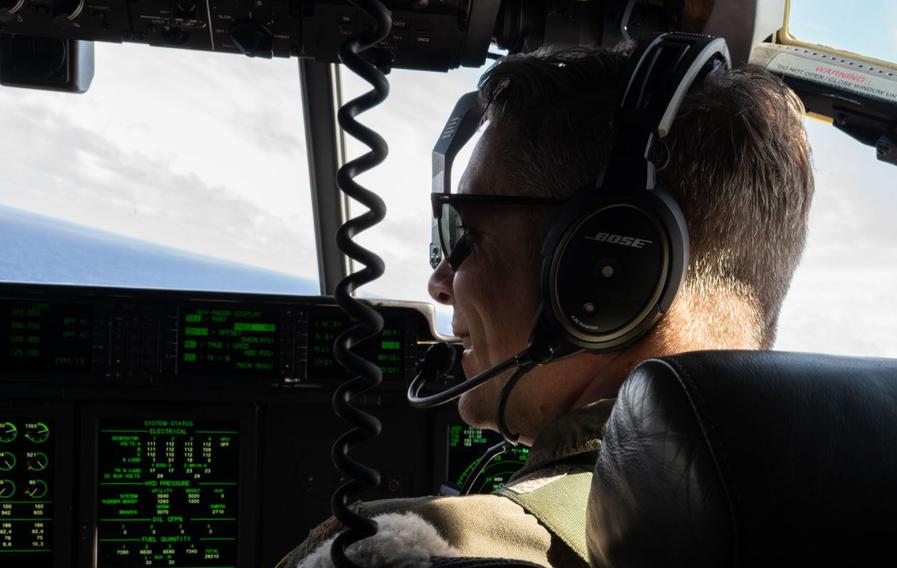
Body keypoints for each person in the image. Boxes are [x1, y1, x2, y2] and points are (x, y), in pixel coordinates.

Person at [278, 39, 814, 568]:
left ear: (603, 269)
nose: (440, 282)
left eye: (464, 232)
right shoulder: (851, 517)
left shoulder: (409, 550)